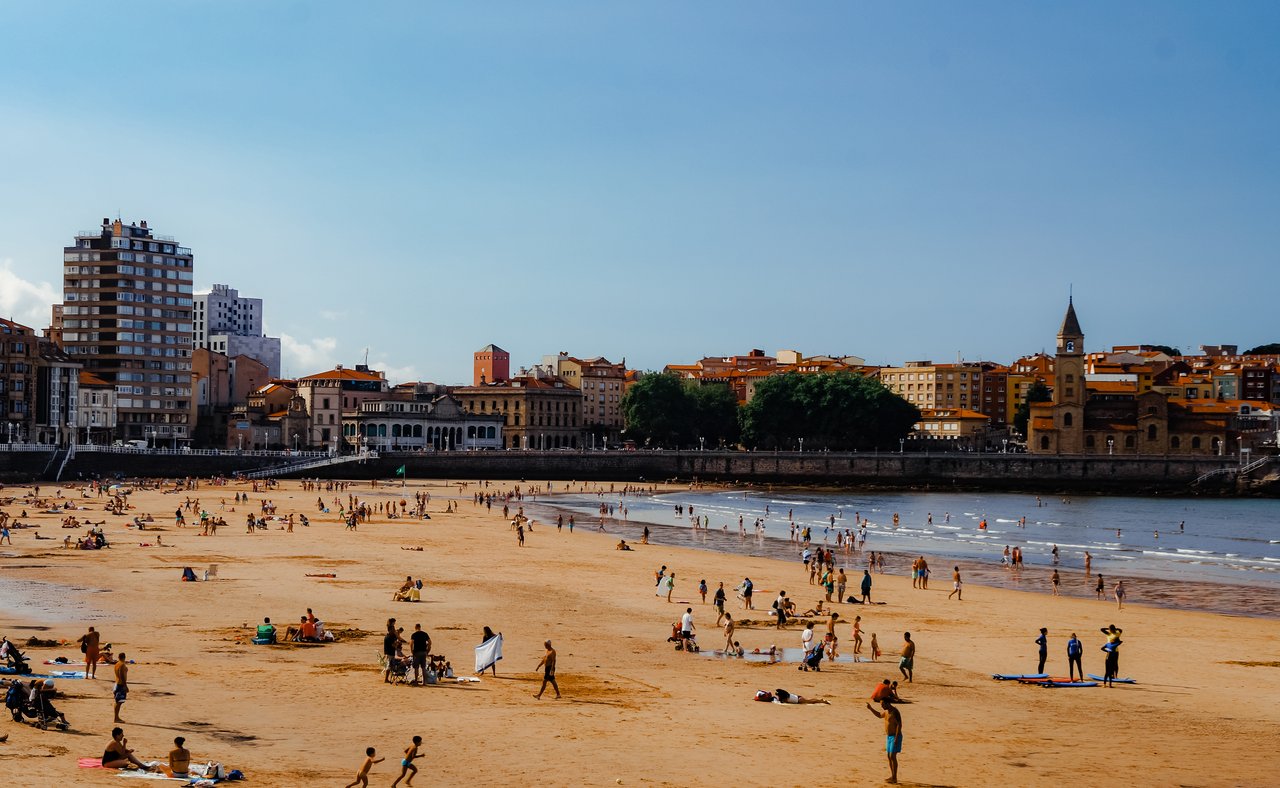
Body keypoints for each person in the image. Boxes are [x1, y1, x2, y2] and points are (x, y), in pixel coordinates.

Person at [866, 699, 903, 784]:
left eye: (882, 704)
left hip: (895, 736)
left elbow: (899, 725)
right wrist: (870, 708)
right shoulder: (886, 711)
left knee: (892, 756)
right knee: (889, 756)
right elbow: (879, 715)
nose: (881, 706)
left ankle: (894, 777)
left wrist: (896, 738)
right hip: (889, 737)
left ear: (888, 703)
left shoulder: (895, 712)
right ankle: (893, 776)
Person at [112, 652, 129, 723]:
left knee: (118, 702)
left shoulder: (117, 664)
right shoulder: (122, 665)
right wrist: (125, 686)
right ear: (124, 657)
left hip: (117, 683)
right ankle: (116, 718)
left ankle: (116, 717)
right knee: (119, 702)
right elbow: (121, 675)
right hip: (121, 685)